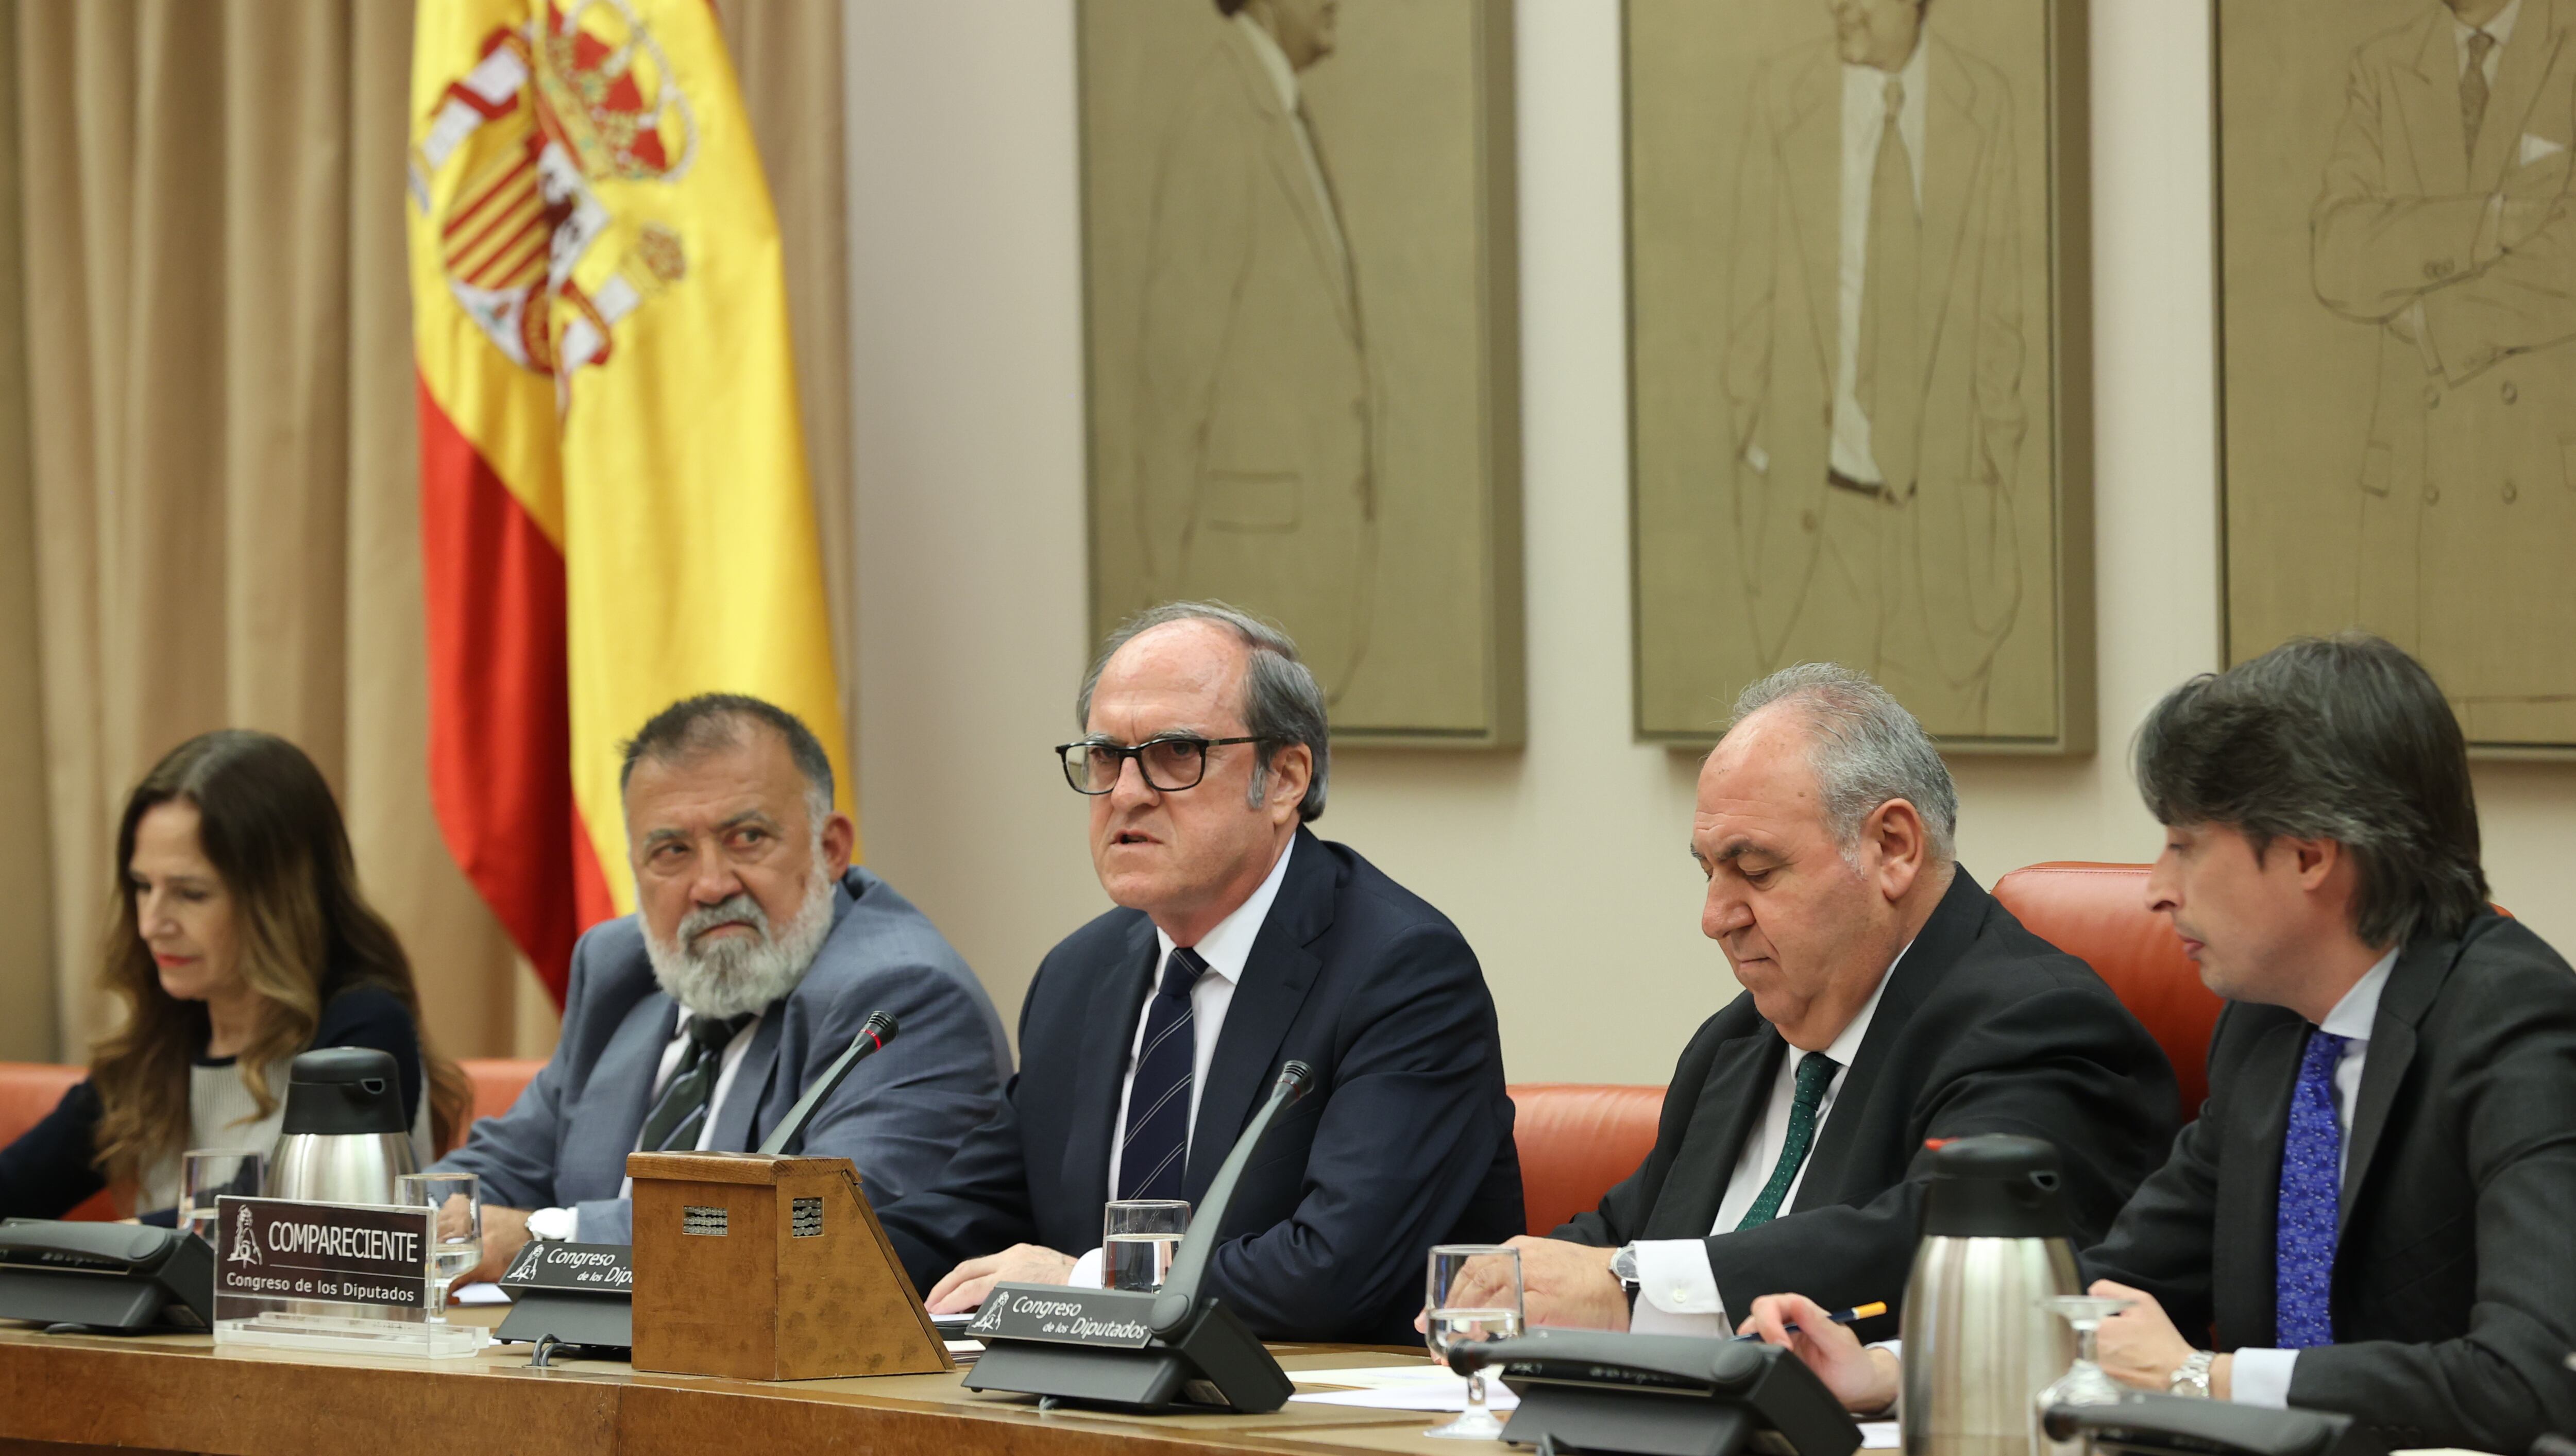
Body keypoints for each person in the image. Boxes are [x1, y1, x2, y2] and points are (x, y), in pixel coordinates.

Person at [1744, 635, 2576, 1455]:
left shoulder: (2516, 1026)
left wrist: (2202, 1378)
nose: (2156, 887)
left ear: (2309, 856)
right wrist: (1892, 1370)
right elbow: (2119, 1288)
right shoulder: (2271, 1025)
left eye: (2184, 844)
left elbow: (2530, 1378)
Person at [1449, 664, 2175, 1343]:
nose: (1715, 916)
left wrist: (1638, 1285)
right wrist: (1517, 1283)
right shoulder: (1736, 1043)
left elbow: (1946, 1245)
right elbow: (1628, 1231)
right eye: (1709, 872)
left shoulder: (2037, 1024)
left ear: (1892, 847)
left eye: (1756, 870)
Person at [872, 601, 1521, 1343]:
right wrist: (776, 1253)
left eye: (1176, 753)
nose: (1126, 792)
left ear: (1285, 778)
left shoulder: (1403, 973)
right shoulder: (1079, 974)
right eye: (1108, 756)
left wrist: (1085, 1284)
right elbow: (966, 1211)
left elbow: (1335, 1270)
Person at [435, 693, 1011, 1274]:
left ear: (831, 848)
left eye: (747, 837)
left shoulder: (900, 994)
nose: (710, 885)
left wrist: (549, 1234)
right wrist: (407, 1218)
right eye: (672, 851)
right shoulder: (620, 968)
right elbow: (501, 1168)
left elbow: (820, 1224)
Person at [1725, 0, 2028, 735]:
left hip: (1948, 566)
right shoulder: (1783, 106)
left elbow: (2006, 344)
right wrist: (1761, 482)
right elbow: (1745, 334)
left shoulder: (1987, 112)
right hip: (1812, 550)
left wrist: (1986, 491)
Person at [2311, 0, 2576, 740]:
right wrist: (2490, 221)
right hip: (2411, 540)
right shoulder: (2383, 72)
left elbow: (2570, 266)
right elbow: (2337, 255)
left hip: (2538, 533)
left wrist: (2433, 316)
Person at [0, 730, 465, 1221]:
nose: (152, 924)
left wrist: (125, 1242)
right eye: (142, 887)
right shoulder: (160, 1048)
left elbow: (293, 1215)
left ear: (279, 903)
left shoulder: (364, 1029)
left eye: (191, 894)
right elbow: (16, 1186)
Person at [1132, 0, 1376, 702]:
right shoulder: (1220, 119)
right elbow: (1174, 393)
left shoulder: (1277, 105)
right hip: (1246, 596)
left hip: (1294, 598)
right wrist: (1169, 635)